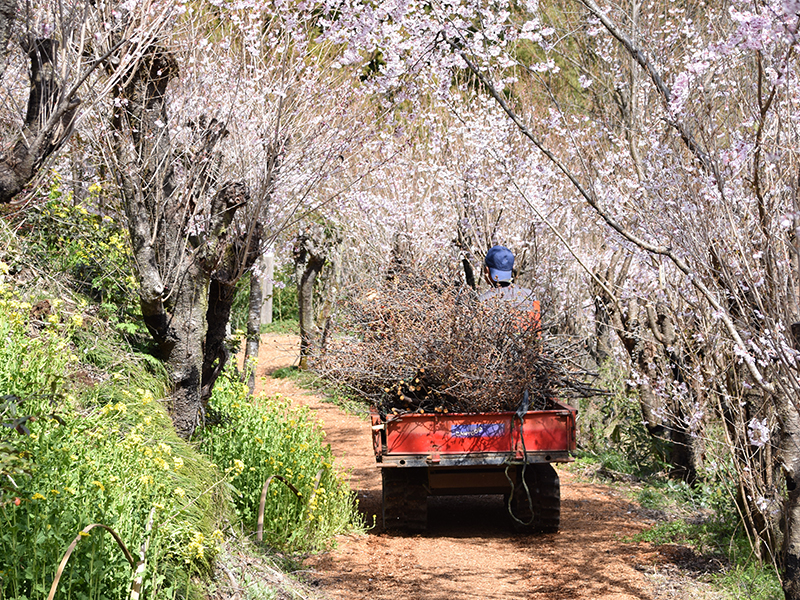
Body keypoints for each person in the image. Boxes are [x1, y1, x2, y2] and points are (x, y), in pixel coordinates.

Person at [478, 245, 537, 315]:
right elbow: (536, 323)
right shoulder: (530, 296)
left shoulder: (482, 301)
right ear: (512, 269)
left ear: (486, 271)